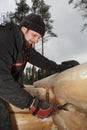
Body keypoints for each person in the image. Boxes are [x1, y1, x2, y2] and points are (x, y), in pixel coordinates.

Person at [0, 13, 79, 130]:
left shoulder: (25, 46)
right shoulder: (5, 39)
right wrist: (31, 103)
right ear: (24, 28)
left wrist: (61, 68)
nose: (36, 40)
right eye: (34, 35)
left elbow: (42, 62)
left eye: (39, 38)